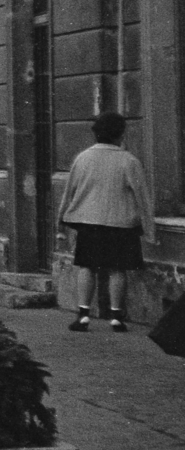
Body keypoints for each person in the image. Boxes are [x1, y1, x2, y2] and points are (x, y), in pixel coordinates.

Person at [60, 112, 157, 333]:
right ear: (120, 134)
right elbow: (142, 198)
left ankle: (83, 316)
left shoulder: (82, 158)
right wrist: (149, 231)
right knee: (117, 269)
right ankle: (116, 317)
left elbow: (69, 193)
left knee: (86, 267)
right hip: (121, 223)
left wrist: (61, 223)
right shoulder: (129, 160)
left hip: (88, 221)